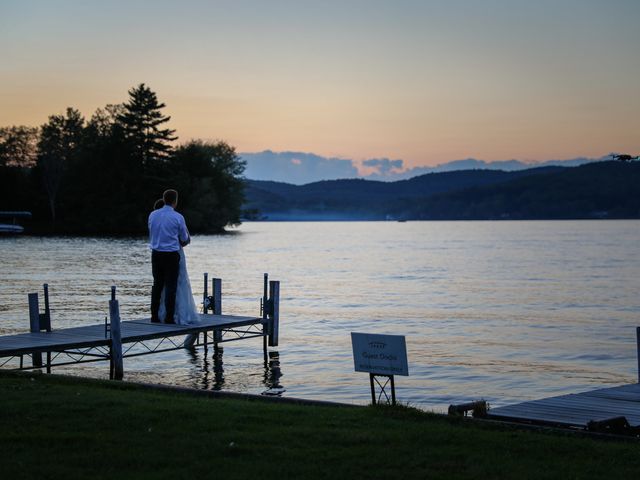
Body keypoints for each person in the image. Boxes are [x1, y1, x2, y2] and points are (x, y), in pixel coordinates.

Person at [148, 189, 199, 325]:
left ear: (164, 199)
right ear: (175, 201)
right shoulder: (178, 217)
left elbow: (152, 233)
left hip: (156, 253)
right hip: (171, 254)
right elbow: (184, 239)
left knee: (157, 285)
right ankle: (169, 317)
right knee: (171, 285)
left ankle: (154, 316)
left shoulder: (152, 215)